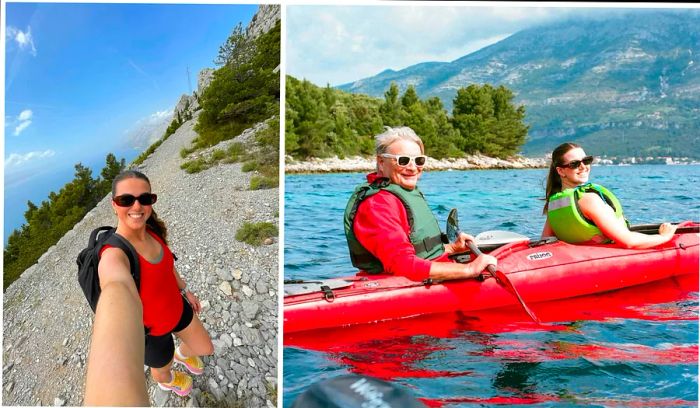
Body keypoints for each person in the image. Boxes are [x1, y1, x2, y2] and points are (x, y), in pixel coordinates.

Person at [97, 170, 213, 397]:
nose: (137, 206)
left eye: (145, 198)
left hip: (177, 308)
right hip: (151, 334)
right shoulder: (113, 254)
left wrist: (185, 291)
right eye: (126, 200)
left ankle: (182, 354)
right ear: (114, 205)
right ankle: (167, 382)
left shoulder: (152, 230)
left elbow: (168, 266)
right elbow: (114, 284)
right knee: (162, 370)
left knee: (205, 348)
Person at [344, 126, 497, 282]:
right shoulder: (378, 205)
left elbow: (418, 252)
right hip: (398, 288)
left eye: (419, 161)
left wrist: (451, 248)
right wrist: (469, 269)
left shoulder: (399, 193)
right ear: (381, 162)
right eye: (402, 161)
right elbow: (403, 265)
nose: (412, 168)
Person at [541, 142, 678, 248]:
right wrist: (664, 237)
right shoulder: (589, 200)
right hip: (604, 259)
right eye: (575, 164)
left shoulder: (554, 204)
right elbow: (629, 242)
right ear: (561, 171)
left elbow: (545, 241)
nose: (583, 167)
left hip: (581, 260)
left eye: (586, 160)